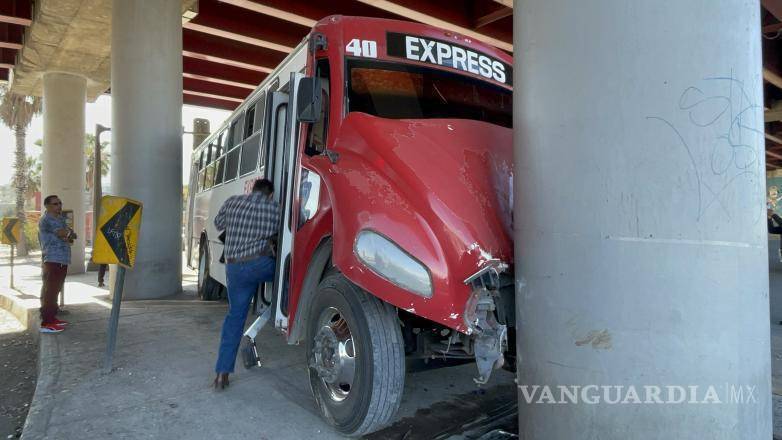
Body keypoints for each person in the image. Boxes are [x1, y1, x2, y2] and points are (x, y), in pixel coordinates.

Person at [213, 179, 280, 389]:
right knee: (288, 275)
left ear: (252, 190)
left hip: (234, 268)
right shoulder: (274, 208)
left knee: (234, 317)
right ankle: (285, 306)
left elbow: (218, 223)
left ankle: (222, 374)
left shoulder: (233, 201)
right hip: (261, 265)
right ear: (270, 194)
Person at [38, 195, 76, 333]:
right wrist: (67, 233)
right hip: (52, 258)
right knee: (50, 290)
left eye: (60, 203)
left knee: (56, 289)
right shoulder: (47, 220)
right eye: (55, 204)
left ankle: (52, 318)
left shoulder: (60, 219)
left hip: (62, 259)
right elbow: (63, 233)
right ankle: (46, 323)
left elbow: (70, 235)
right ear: (47, 206)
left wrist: (68, 234)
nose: (59, 206)